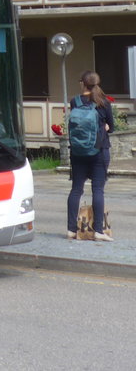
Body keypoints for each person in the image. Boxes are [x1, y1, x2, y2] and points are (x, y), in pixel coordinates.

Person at [66, 70, 114, 242]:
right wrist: (106, 128)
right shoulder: (103, 102)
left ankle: (72, 230)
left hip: (78, 153)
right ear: (97, 84)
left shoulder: (75, 101)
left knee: (76, 189)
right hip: (99, 151)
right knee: (98, 190)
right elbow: (112, 126)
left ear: (83, 83)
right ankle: (98, 231)